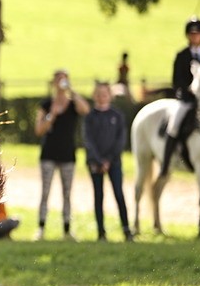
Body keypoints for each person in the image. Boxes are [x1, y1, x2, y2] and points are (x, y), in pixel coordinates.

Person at [34, 69, 90, 240]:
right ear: (53, 82)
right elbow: (39, 130)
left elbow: (86, 110)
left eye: (64, 79)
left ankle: (67, 230)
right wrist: (52, 115)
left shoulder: (73, 105)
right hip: (49, 154)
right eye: (58, 79)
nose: (61, 82)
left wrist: (72, 91)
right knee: (45, 192)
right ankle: (41, 228)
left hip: (68, 155)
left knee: (67, 194)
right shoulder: (46, 105)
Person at [161, 16, 200, 176]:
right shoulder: (181, 55)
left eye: (197, 33)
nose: (195, 36)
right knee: (174, 125)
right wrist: (190, 89)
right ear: (188, 35)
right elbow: (176, 80)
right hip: (187, 99)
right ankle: (165, 163)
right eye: (192, 34)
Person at [84, 81, 132, 242]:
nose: (102, 97)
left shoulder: (117, 116)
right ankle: (101, 232)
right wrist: (99, 161)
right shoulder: (90, 117)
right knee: (99, 196)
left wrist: (109, 160)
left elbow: (120, 140)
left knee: (119, 193)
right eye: (98, 94)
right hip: (95, 163)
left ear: (110, 96)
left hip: (114, 162)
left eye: (104, 94)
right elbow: (88, 141)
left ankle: (126, 229)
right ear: (94, 96)